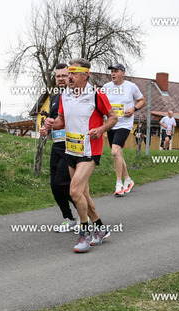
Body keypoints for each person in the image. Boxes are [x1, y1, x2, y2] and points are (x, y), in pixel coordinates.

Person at [42, 58, 117, 252]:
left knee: (74, 191)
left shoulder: (96, 94)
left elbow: (113, 117)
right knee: (83, 194)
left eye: (74, 73)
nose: (70, 77)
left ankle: (84, 233)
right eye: (69, 73)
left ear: (85, 75)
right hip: (71, 149)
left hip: (90, 151)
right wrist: (51, 124)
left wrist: (101, 129)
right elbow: (61, 121)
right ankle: (100, 228)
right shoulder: (65, 95)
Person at [39, 64, 77, 231]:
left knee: (62, 183)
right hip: (57, 144)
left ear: (70, 77)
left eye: (64, 75)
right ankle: (69, 218)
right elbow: (52, 119)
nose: (61, 79)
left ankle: (84, 214)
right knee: (54, 186)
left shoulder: (75, 95)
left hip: (71, 145)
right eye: (58, 76)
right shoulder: (55, 98)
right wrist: (45, 128)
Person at [102, 63, 144, 196]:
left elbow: (142, 100)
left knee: (115, 152)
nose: (113, 74)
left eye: (116, 71)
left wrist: (133, 108)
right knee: (118, 153)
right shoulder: (106, 87)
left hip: (124, 124)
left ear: (123, 73)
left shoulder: (131, 86)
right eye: (112, 72)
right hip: (111, 124)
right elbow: (100, 103)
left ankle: (119, 183)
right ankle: (128, 180)